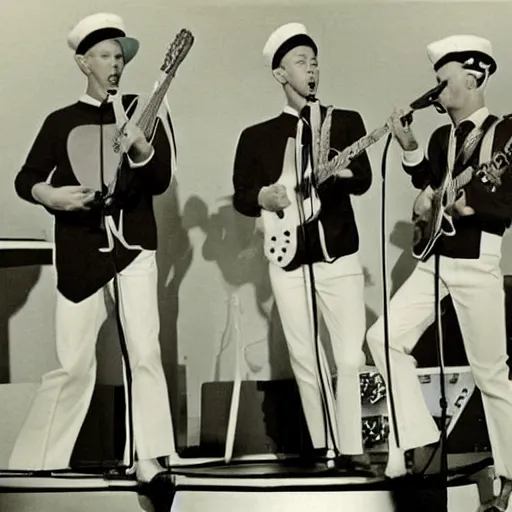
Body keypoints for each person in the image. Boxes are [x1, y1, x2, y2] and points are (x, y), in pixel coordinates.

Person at [9, 12, 176, 484]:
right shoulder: (60, 121)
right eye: (104, 56)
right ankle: (35, 468)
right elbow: (26, 179)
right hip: (80, 249)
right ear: (84, 63)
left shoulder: (146, 110)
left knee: (144, 353)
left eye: (119, 56)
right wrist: (50, 195)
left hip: (134, 247)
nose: (115, 64)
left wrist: (142, 147)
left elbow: (160, 179)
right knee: (73, 364)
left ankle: (150, 460)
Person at [367, 35, 512, 506]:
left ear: (473, 77)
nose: (436, 88)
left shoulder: (505, 135)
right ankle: (416, 437)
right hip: (436, 259)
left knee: (491, 374)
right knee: (382, 337)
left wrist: (472, 206)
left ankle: (510, 473)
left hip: (476, 259)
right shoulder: (439, 137)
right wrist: (410, 149)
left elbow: (504, 199)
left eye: (443, 79)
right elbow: (428, 186)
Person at [232, 22, 372, 470]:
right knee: (304, 355)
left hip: (338, 255)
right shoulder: (256, 136)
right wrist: (263, 198)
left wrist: (340, 172)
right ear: (280, 74)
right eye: (300, 62)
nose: (311, 69)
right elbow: (241, 194)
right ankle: (325, 449)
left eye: (314, 61)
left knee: (349, 356)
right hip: (288, 257)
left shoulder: (345, 121)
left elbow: (365, 178)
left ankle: (352, 447)